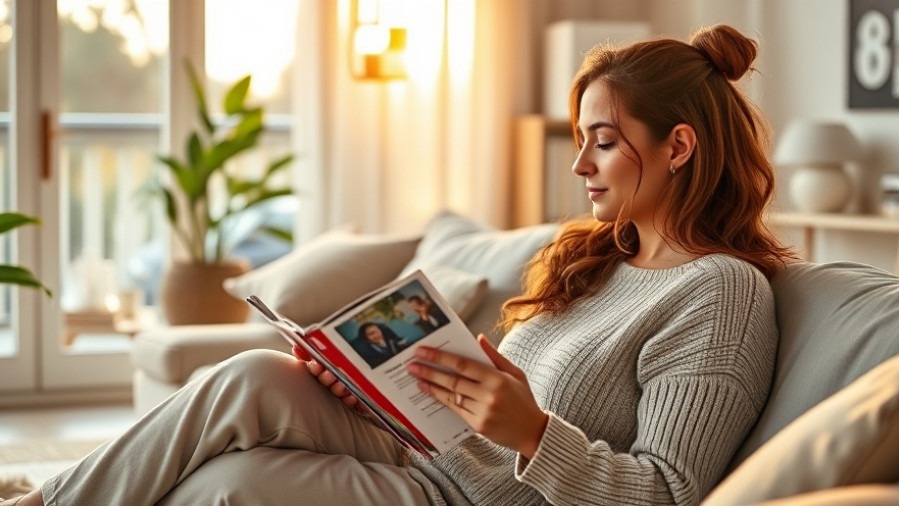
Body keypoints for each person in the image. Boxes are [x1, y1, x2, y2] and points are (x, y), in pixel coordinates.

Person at [3, 24, 796, 506]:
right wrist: (371, 385)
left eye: (603, 139)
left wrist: (532, 435)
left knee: (222, 490)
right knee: (245, 378)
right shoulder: (599, 259)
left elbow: (671, 493)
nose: (581, 163)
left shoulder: (717, 293)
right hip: (424, 453)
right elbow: (474, 408)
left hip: (462, 497)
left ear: (678, 146)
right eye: (582, 137)